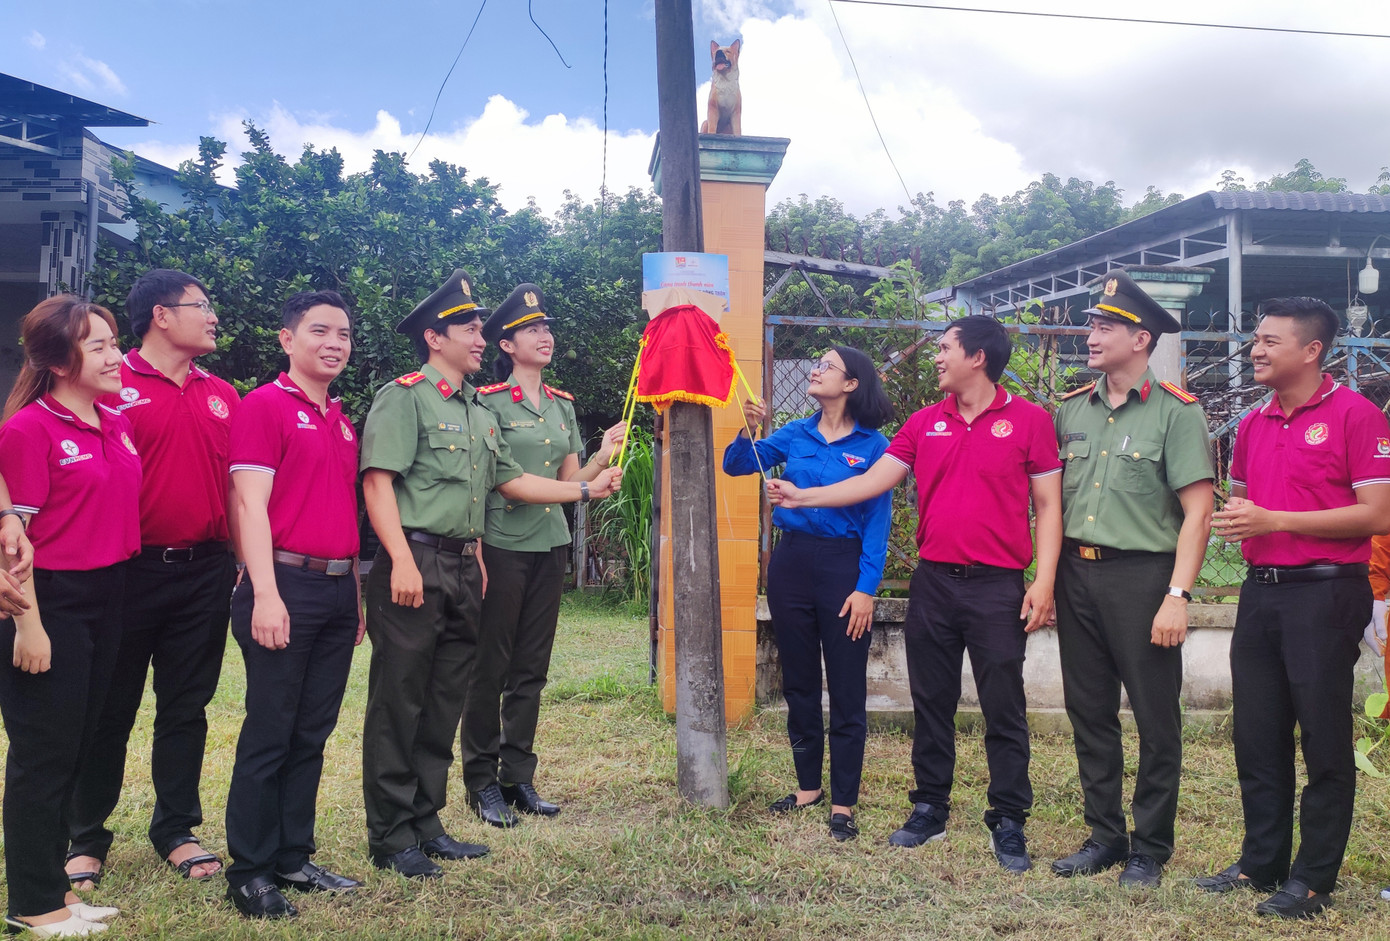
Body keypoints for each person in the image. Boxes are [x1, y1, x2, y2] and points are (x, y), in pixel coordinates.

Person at [766, 320, 1063, 867]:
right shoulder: (925, 424)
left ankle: (1009, 818)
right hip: (934, 581)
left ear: (977, 356)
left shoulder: (1031, 420)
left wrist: (1043, 581)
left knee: (1004, 706)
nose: (937, 358)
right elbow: (872, 482)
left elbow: (1048, 506)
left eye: (945, 348)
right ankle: (929, 807)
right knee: (931, 701)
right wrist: (804, 497)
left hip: (998, 584)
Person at [359, 273, 622, 877]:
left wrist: (584, 484)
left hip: (462, 560)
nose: (482, 339)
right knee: (400, 702)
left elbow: (511, 482)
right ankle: (391, 835)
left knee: (443, 700)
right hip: (416, 559)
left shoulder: (477, 409)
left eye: (482, 329)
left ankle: (427, 823)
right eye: (472, 330)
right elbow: (378, 484)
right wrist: (399, 558)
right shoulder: (405, 396)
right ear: (435, 337)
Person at [1198, 296, 1390, 918]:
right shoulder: (1253, 423)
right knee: (1257, 733)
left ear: (1311, 350)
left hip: (1327, 590)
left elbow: (1380, 513)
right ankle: (1261, 861)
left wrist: (1278, 517)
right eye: (1256, 338)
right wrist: (1239, 520)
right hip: (1262, 590)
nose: (1256, 349)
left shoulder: (1357, 417)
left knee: (1324, 736)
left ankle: (1312, 877)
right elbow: (1244, 502)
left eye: (1270, 341)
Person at [66, 270, 238, 891]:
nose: (213, 316)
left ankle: (177, 828)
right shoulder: (110, 386)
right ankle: (84, 837)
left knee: (186, 708)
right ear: (161, 316)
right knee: (108, 708)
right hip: (127, 572)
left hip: (207, 571)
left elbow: (239, 493)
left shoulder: (223, 393)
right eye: (202, 305)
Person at [1048, 269, 1214, 889]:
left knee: (1153, 716)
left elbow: (1197, 511)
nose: (1092, 335)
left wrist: (1178, 595)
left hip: (1144, 580)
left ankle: (1150, 845)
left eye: (1107, 325)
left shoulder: (1176, 414)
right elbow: (1049, 505)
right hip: (1077, 575)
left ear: (1141, 339)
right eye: (1093, 323)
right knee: (1088, 711)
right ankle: (1104, 836)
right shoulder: (1071, 412)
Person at [460, 283, 626, 828]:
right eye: (532, 330)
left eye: (547, 328)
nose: (545, 336)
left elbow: (568, 480)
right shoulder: (487, 404)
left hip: (549, 547)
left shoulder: (562, 406)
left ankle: (518, 777)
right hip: (503, 547)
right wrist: (585, 490)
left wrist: (602, 457)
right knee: (492, 667)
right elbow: (508, 484)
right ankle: (481, 781)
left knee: (531, 668)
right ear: (505, 345)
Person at [0, 296, 140, 936]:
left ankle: (55, 889)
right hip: (50, 602)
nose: (115, 357)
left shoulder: (113, 419)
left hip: (110, 595)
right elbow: (13, 544)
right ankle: (33, 903)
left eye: (114, 343)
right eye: (99, 346)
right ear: (58, 361)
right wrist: (29, 624)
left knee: (80, 745)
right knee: (43, 754)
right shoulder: (29, 429)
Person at [223, 291, 364, 919]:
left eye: (343, 334)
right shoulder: (264, 407)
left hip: (336, 588)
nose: (334, 343)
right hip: (281, 584)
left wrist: (354, 594)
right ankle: (249, 870)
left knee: (312, 731)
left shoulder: (340, 416)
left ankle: (292, 855)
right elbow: (250, 505)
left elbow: (343, 515)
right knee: (270, 731)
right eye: (319, 331)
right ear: (287, 340)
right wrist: (266, 594)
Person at [724, 345, 891, 841]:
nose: (815, 370)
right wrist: (750, 429)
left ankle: (843, 803)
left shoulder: (874, 445)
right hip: (792, 561)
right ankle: (806, 789)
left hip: (843, 567)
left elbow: (878, 524)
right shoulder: (795, 433)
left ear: (852, 384)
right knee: (797, 681)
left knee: (845, 686)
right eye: (816, 364)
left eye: (827, 365)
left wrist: (866, 589)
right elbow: (738, 465)